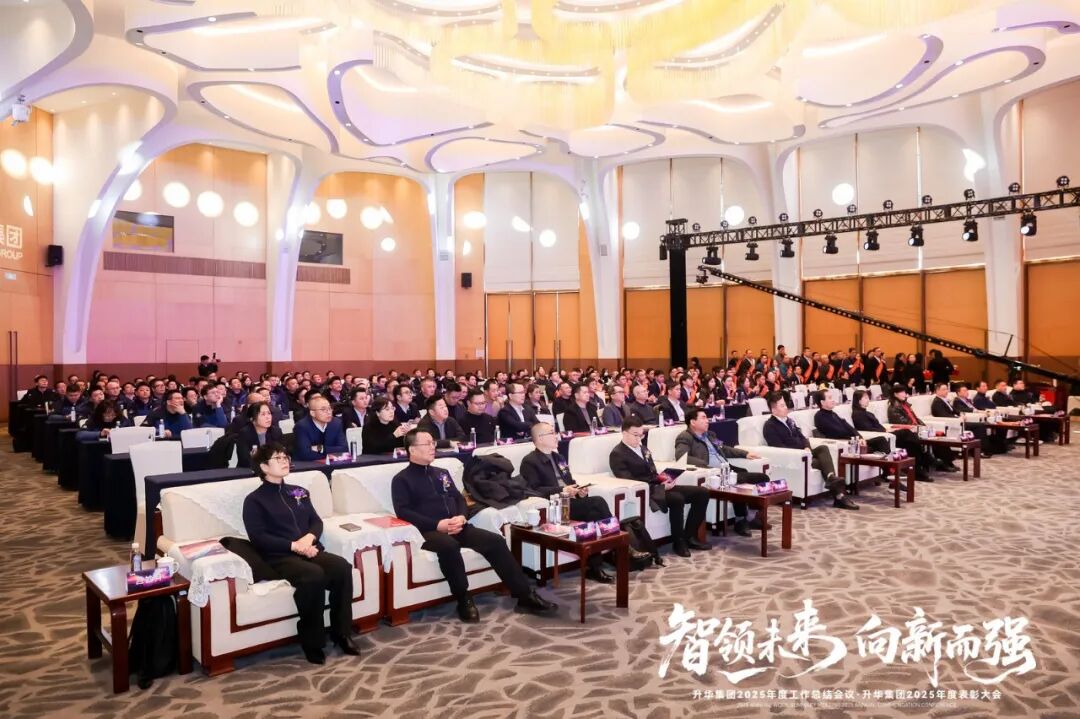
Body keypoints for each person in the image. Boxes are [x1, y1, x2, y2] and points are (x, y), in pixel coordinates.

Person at [391, 429, 558, 623]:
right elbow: (403, 512)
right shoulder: (401, 479)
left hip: (457, 524)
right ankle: (463, 599)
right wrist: (438, 525)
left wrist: (462, 517)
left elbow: (459, 499)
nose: (432, 447)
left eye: (433, 443)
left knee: (495, 541)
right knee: (449, 546)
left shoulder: (441, 473)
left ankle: (525, 596)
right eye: (427, 444)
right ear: (412, 450)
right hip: (428, 531)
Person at [242, 443, 358, 664]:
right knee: (313, 575)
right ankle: (312, 642)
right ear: (264, 467)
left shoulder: (299, 492)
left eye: (285, 456)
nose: (285, 461)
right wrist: (294, 546)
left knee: (341, 567)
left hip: (309, 549)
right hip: (279, 556)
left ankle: (342, 633)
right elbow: (259, 537)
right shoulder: (254, 500)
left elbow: (316, 522)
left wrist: (308, 539)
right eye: (278, 458)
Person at [519, 423, 619, 582]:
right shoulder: (530, 461)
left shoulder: (559, 457)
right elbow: (533, 490)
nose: (556, 436)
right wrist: (562, 490)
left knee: (593, 514)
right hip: (554, 507)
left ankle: (594, 568)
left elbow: (570, 481)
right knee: (598, 502)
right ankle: (618, 547)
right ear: (540, 438)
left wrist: (579, 491)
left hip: (569, 502)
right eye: (552, 433)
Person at [609, 415, 711, 557]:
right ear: (624, 433)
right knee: (677, 498)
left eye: (641, 435)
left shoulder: (643, 449)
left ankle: (690, 536)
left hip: (658, 486)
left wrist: (666, 479)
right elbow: (630, 482)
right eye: (635, 435)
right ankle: (678, 542)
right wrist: (661, 488)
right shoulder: (617, 454)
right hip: (647, 493)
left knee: (702, 493)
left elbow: (652, 473)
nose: (639, 439)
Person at [674, 408, 766, 537]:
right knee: (739, 482)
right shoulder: (685, 437)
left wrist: (745, 454)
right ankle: (741, 520)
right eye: (703, 418)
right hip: (713, 473)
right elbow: (681, 457)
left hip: (727, 469)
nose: (707, 421)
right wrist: (706, 465)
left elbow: (724, 448)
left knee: (762, 478)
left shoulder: (710, 435)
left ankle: (751, 516)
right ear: (693, 422)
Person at [761, 392, 858, 509]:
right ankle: (839, 496)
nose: (786, 407)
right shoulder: (770, 426)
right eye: (782, 406)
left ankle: (831, 479)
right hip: (795, 457)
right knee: (820, 463)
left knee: (823, 448)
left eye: (785, 404)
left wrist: (807, 447)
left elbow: (803, 438)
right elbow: (778, 447)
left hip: (805, 453)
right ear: (773, 410)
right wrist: (802, 452)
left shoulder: (789, 421)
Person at [850, 390, 932, 481]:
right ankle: (924, 459)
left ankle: (919, 467)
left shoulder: (868, 413)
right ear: (859, 400)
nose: (868, 400)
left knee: (910, 442)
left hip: (885, 433)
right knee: (906, 434)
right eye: (865, 398)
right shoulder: (857, 414)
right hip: (880, 435)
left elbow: (879, 426)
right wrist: (886, 431)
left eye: (868, 397)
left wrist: (887, 430)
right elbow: (868, 429)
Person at [887, 384, 957, 472]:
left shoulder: (905, 405)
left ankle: (947, 462)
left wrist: (923, 426)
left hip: (917, 428)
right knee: (920, 441)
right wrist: (919, 428)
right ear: (895, 394)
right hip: (910, 431)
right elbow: (902, 423)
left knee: (939, 436)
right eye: (902, 392)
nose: (905, 394)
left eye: (905, 392)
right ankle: (934, 462)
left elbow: (915, 418)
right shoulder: (893, 408)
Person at [812, 390, 892, 454]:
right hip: (844, 443)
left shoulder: (833, 413)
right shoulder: (819, 416)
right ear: (822, 402)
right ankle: (889, 467)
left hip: (853, 441)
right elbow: (837, 432)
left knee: (881, 440)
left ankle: (890, 466)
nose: (833, 400)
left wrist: (860, 438)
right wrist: (854, 439)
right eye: (829, 398)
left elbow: (849, 427)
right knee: (875, 447)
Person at [293, 395, 348, 461]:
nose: (329, 412)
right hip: (307, 464)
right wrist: (329, 455)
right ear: (312, 413)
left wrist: (321, 448)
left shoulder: (336, 423)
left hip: (332, 463)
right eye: (323, 409)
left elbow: (344, 449)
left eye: (329, 408)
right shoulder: (302, 426)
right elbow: (305, 453)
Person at [234, 402, 286, 467]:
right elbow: (244, 459)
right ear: (252, 419)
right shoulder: (244, 433)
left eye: (269, 413)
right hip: (249, 469)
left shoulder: (276, 431)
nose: (268, 417)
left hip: (272, 468)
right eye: (263, 414)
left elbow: (282, 453)